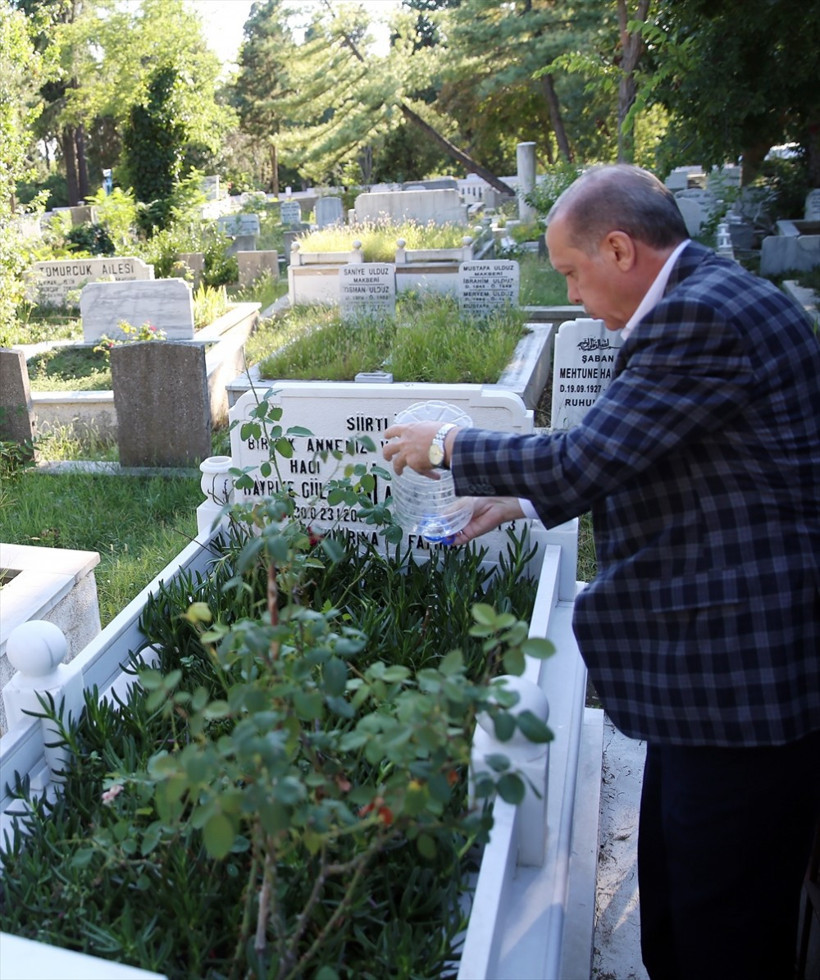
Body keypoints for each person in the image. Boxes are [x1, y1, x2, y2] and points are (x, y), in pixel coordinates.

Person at [383, 164, 820, 980]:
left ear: (618, 248)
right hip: (717, 691)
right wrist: (512, 506)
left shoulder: (699, 316)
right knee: (683, 913)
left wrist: (446, 448)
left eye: (572, 275)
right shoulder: (715, 295)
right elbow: (658, 458)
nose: (575, 298)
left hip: (744, 692)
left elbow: (589, 455)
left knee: (722, 937)